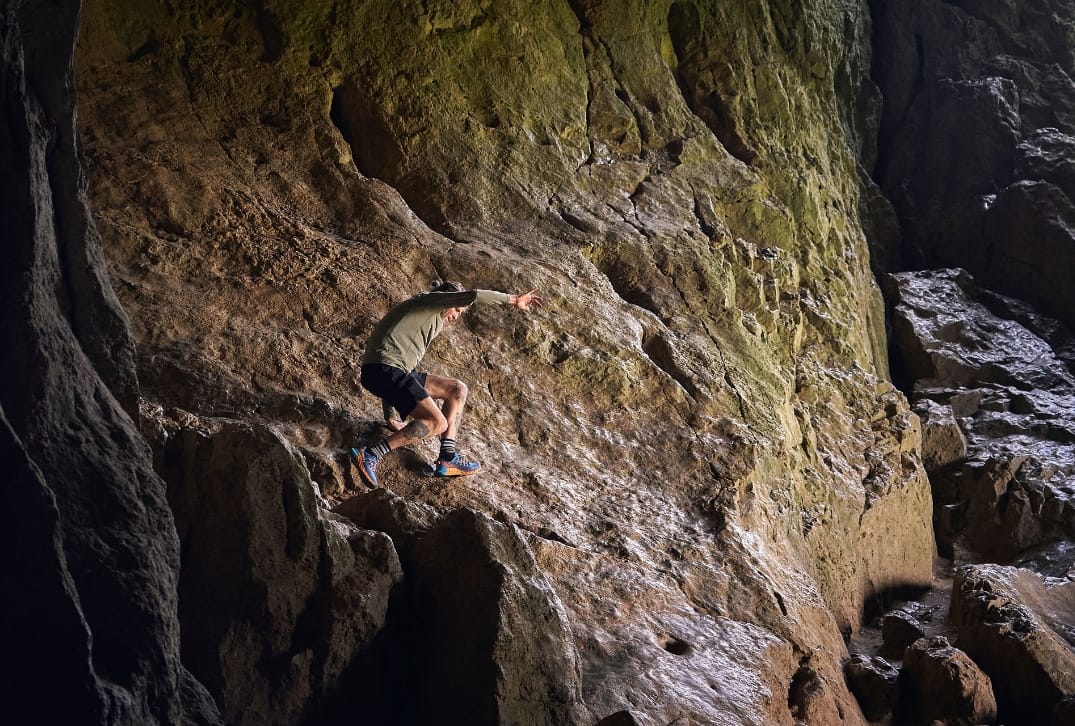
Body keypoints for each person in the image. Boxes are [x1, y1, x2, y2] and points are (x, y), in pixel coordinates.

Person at [351, 280, 542, 487]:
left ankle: (447, 457)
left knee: (457, 389)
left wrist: (390, 416)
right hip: (382, 370)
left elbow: (399, 378)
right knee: (437, 422)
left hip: (389, 372)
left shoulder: (429, 318)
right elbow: (474, 294)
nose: (456, 316)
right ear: (448, 299)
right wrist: (514, 300)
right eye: (457, 309)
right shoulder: (432, 301)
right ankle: (371, 454)